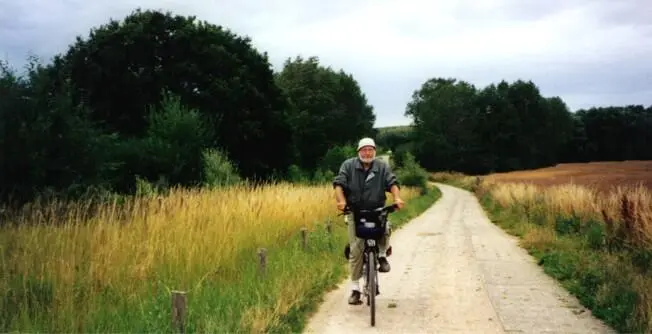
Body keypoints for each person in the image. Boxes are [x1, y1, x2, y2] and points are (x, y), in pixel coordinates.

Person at [332, 137, 405, 305]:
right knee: (356, 248)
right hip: (355, 211)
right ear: (358, 152)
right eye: (364, 149)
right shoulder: (348, 166)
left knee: (386, 227)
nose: (367, 152)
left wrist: (397, 198)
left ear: (374, 151)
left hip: (377, 210)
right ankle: (356, 289)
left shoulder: (382, 167)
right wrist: (341, 201)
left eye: (370, 149)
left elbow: (392, 182)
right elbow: (339, 184)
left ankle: (381, 255)